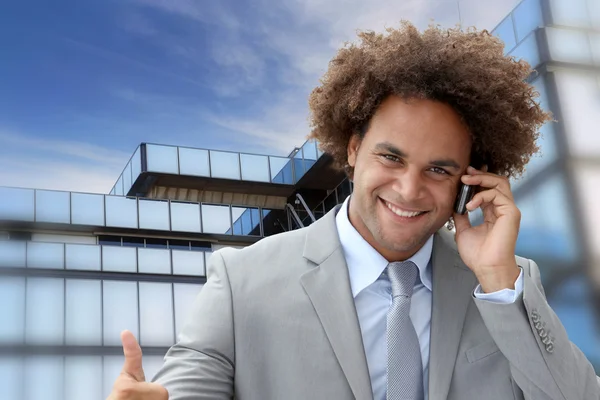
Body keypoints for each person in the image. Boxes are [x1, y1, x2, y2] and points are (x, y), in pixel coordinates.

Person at [107, 21, 600, 400]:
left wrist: (497, 280)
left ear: (469, 180)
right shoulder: (240, 282)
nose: (409, 190)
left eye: (439, 170)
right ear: (351, 149)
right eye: (391, 157)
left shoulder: (508, 286)